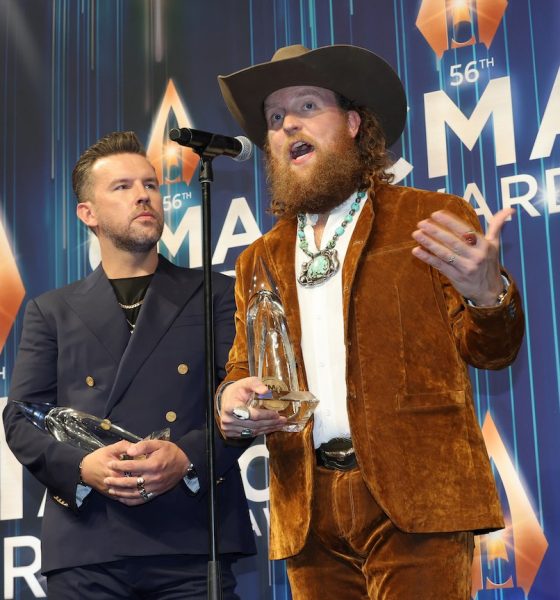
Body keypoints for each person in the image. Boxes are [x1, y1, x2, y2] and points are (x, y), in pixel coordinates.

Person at [214, 44, 525, 599]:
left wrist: (488, 296)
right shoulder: (256, 258)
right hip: (307, 509)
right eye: (275, 118)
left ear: (354, 123)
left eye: (307, 106)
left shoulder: (430, 218)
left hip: (418, 498)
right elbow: (244, 365)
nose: (287, 126)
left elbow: (492, 352)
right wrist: (234, 401)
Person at [3, 131, 255, 599]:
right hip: (88, 544)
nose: (143, 195)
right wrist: (82, 467)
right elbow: (20, 417)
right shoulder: (50, 310)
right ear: (88, 214)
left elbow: (241, 402)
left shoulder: (216, 294)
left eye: (151, 185)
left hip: (192, 537)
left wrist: (187, 457)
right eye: (121, 187)